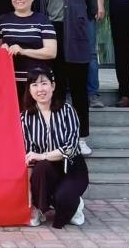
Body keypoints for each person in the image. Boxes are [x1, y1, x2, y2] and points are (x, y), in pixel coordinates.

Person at [38, 0, 98, 155]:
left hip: (75, 34)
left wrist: (79, 21)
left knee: (79, 90)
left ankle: (81, 138)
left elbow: (92, 5)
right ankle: (59, 137)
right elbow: (39, 7)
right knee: (57, 89)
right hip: (51, 36)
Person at [21, 67, 89, 229]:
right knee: (40, 168)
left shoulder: (67, 111)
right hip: (46, 169)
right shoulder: (25, 118)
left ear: (53, 86)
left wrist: (43, 155)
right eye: (34, 85)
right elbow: (29, 158)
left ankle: (75, 204)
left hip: (71, 166)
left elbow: (70, 148)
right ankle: (39, 208)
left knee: (63, 199)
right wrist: (29, 196)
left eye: (44, 83)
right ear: (29, 90)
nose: (40, 89)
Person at [0, 0, 57, 107]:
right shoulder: (2, 21)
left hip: (37, 83)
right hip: (10, 82)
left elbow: (51, 52)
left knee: (35, 115)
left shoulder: (42, 20)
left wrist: (23, 51)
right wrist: (1, 48)